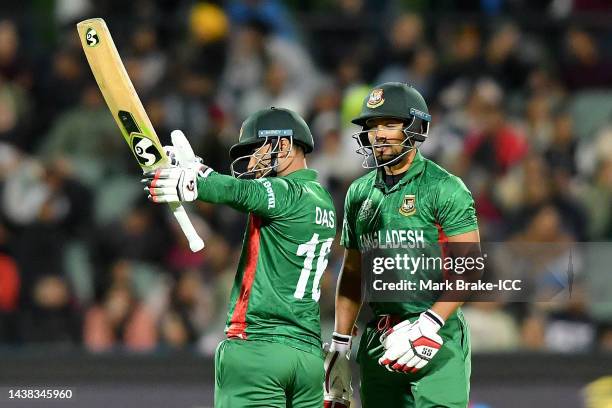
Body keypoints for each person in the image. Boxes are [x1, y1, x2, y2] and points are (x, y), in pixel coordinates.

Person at [142, 107, 336, 408]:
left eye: (258, 148)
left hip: (258, 349)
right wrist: (200, 171)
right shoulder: (323, 200)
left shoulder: (284, 191)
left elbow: (241, 192)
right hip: (308, 358)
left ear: (283, 145)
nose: (252, 161)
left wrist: (194, 183)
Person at [323, 83, 480, 408]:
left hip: (438, 334)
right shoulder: (359, 193)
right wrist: (340, 344)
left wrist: (429, 324)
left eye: (389, 124)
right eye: (371, 126)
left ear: (416, 127)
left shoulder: (445, 188)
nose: (378, 134)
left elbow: (470, 270)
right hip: (379, 337)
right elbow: (353, 275)